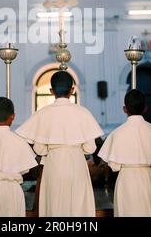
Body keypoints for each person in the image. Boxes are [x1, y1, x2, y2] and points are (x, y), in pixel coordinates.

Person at [16, 70, 104, 217]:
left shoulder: (43, 114)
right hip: (77, 164)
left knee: (54, 205)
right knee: (77, 205)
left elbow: (39, 149)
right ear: (72, 90)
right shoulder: (83, 113)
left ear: (51, 91)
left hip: (53, 164)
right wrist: (75, 147)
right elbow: (90, 147)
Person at [98, 89, 151, 217]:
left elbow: (114, 166)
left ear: (125, 109)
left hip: (126, 180)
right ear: (145, 108)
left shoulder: (117, 134)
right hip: (148, 178)